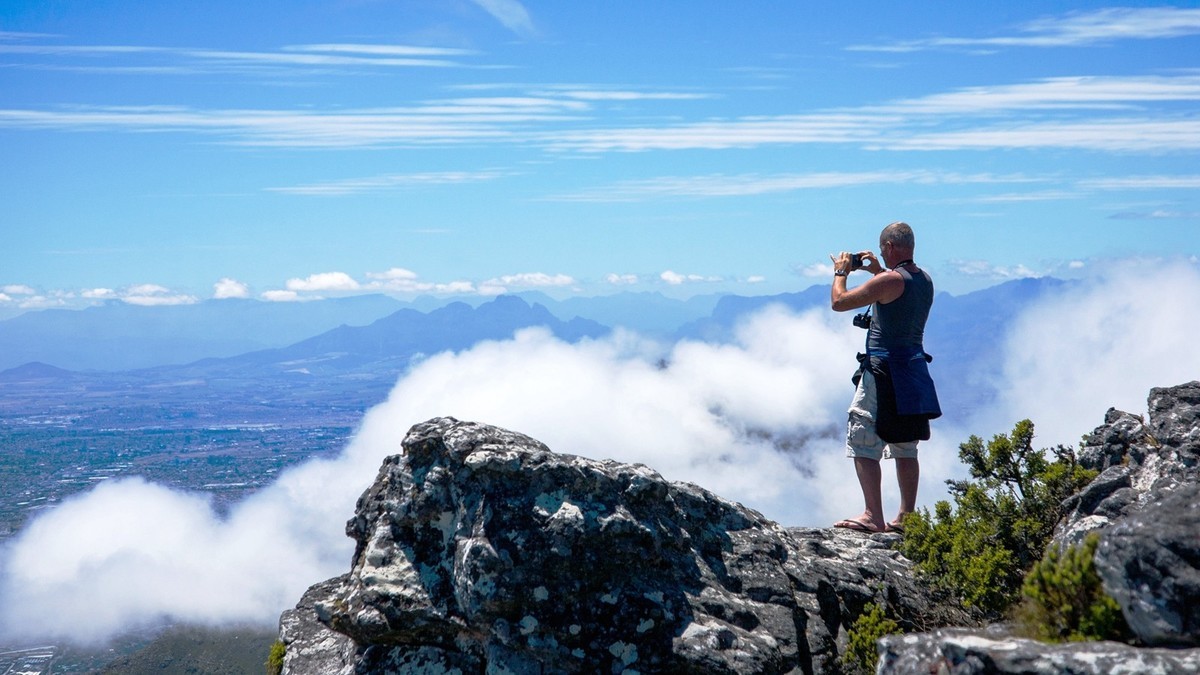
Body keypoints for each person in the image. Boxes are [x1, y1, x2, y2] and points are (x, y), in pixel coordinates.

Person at [828, 221, 940, 534]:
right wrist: (878, 271)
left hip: (882, 369)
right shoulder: (923, 279)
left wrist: (841, 272)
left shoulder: (890, 281)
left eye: (881, 250)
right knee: (906, 443)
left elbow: (840, 302)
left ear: (889, 247)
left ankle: (872, 516)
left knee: (862, 430)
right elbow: (894, 296)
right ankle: (906, 518)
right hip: (913, 369)